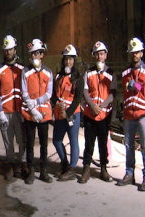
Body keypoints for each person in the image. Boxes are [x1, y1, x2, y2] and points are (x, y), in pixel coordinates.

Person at [117, 37, 145, 191]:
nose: (134, 55)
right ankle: (129, 174)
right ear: (129, 54)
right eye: (132, 52)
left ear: (141, 53)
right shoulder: (125, 73)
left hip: (142, 116)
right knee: (128, 146)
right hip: (129, 116)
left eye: (137, 52)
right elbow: (126, 95)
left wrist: (140, 89)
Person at [79, 41, 116, 184]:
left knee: (102, 143)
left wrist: (101, 106)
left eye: (101, 54)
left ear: (105, 55)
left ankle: (103, 169)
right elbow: (85, 91)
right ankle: (86, 169)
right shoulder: (89, 73)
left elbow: (112, 93)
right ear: (94, 56)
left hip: (104, 115)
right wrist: (92, 105)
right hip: (90, 114)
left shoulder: (111, 73)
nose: (99, 57)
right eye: (97, 54)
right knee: (89, 143)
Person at [0, 35, 26, 181]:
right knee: (8, 142)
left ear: (15, 50)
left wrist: (25, 110)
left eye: (10, 49)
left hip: (19, 112)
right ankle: (12, 166)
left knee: (21, 140)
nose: (8, 52)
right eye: (6, 50)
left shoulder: (22, 69)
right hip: (5, 112)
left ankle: (23, 165)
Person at [21, 38, 53, 184]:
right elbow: (24, 92)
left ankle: (44, 171)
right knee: (29, 144)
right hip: (29, 114)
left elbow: (49, 93)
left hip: (44, 115)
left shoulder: (48, 72)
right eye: (32, 54)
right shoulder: (25, 72)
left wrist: (37, 103)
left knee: (44, 145)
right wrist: (32, 109)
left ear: (41, 55)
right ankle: (31, 171)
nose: (34, 56)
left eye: (37, 53)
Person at [51, 44, 84, 182]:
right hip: (59, 115)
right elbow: (53, 94)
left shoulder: (78, 78)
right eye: (66, 59)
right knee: (56, 140)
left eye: (71, 59)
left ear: (74, 60)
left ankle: (72, 169)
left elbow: (78, 99)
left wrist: (68, 113)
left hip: (72, 115)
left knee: (73, 141)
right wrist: (55, 103)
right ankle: (65, 164)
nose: (68, 62)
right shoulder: (58, 76)